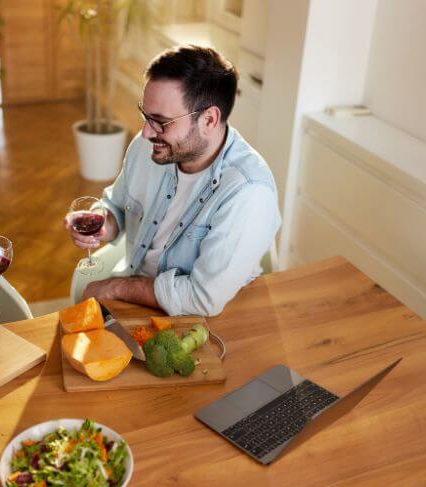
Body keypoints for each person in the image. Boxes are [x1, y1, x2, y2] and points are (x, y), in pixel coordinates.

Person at [66, 45, 281, 317]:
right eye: (145, 115)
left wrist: (116, 287)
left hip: (205, 322)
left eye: (160, 121)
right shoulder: (150, 148)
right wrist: (102, 222)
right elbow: (116, 205)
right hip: (138, 300)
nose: (145, 132)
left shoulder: (248, 192)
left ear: (209, 120)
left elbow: (203, 299)